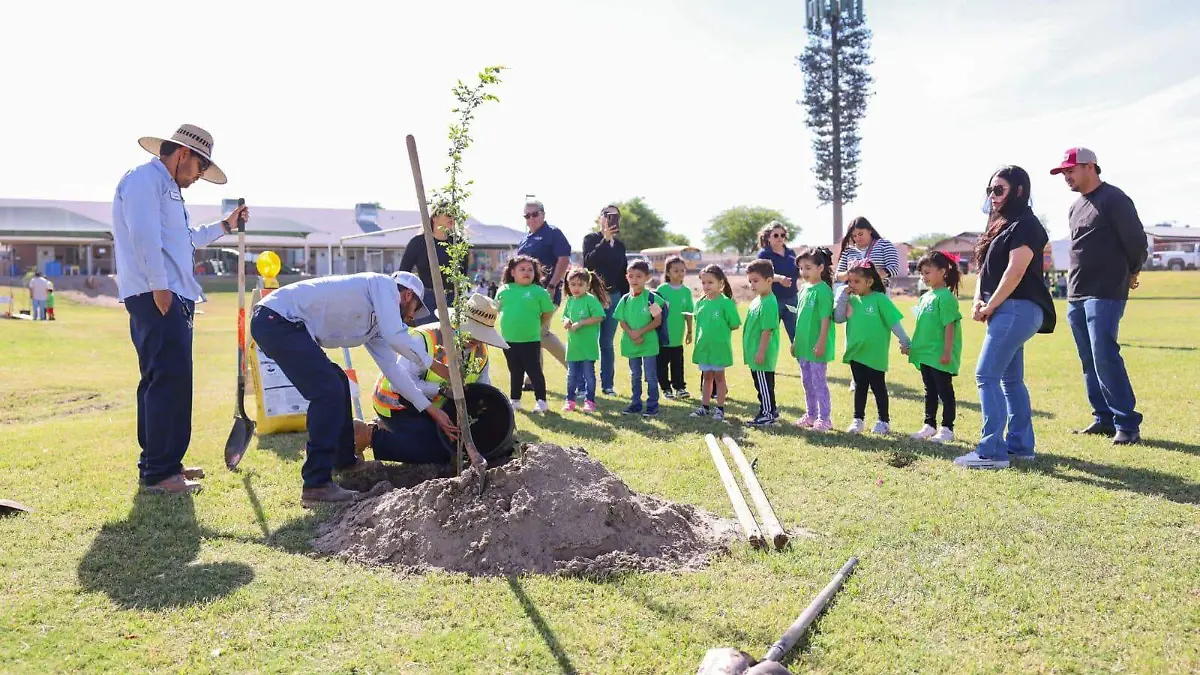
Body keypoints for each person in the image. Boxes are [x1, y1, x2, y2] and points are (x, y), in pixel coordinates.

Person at [112, 124, 248, 495]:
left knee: (171, 383)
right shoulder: (145, 179)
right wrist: (159, 286)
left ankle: (166, 462)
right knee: (164, 383)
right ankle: (158, 473)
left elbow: (183, 240)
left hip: (175, 295)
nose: (201, 176)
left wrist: (225, 225)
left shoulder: (170, 189)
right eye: (201, 167)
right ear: (184, 153)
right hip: (158, 294)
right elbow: (143, 235)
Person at [252, 271, 444, 504]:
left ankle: (344, 461)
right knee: (328, 390)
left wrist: (430, 409)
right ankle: (316, 484)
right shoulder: (382, 285)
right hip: (278, 320)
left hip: (287, 325)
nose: (412, 317)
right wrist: (434, 364)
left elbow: (394, 371)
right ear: (407, 295)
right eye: (414, 308)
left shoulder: (377, 325)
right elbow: (397, 337)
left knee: (338, 382)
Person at [956, 165, 1056, 470]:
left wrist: (990, 306)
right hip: (1006, 309)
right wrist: (978, 302)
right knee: (1011, 380)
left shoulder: (1027, 224)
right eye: (990, 190)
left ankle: (992, 452)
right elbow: (985, 272)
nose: (993, 195)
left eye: (999, 189)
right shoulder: (1000, 225)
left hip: (1018, 308)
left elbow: (1015, 271)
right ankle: (1020, 447)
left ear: (1020, 190)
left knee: (986, 375)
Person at [1052, 147, 1148, 445]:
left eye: (1071, 170)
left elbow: (1136, 241)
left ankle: (1127, 424)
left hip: (1106, 290)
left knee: (1104, 354)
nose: (1066, 176)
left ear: (1090, 167)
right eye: (1063, 172)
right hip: (1076, 292)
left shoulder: (1115, 199)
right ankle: (1103, 418)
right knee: (1088, 358)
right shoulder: (1075, 206)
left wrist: (1132, 272)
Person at [363, 293, 507, 463]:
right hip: (396, 403)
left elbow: (483, 388)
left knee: (451, 443)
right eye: (473, 332)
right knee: (435, 450)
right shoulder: (425, 338)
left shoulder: (480, 352)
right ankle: (371, 434)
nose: (476, 340)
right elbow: (399, 383)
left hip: (435, 406)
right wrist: (441, 390)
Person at [834, 262, 910, 434]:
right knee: (860, 386)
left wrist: (905, 340)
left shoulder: (880, 299)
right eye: (849, 281)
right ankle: (857, 420)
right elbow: (838, 318)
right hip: (856, 352)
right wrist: (842, 296)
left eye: (856, 281)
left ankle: (883, 421)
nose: (851, 285)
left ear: (869, 282)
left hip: (875, 353)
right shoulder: (850, 299)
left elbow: (894, 323)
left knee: (878, 387)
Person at [907, 251, 963, 444]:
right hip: (925, 354)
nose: (924, 277)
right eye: (922, 273)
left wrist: (947, 352)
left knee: (944, 391)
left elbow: (950, 326)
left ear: (943, 271)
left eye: (928, 272)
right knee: (929, 390)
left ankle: (947, 428)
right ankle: (929, 425)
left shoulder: (946, 298)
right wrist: (912, 347)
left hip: (939, 354)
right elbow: (923, 327)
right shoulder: (925, 297)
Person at [495, 255, 556, 413]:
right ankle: (515, 400)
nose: (527, 272)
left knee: (534, 371)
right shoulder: (503, 290)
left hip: (530, 340)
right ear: (512, 272)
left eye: (530, 269)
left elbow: (548, 312)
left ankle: (541, 401)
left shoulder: (538, 292)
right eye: (522, 269)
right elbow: (495, 309)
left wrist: (537, 325)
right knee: (515, 371)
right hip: (508, 340)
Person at [516, 199, 570, 374]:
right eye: (527, 215)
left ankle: (575, 371)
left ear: (543, 214)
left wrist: (552, 285)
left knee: (540, 333)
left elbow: (563, 259)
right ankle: (532, 378)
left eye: (535, 214)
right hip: (526, 295)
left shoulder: (553, 233)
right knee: (533, 335)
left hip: (547, 292)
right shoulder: (524, 239)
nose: (531, 218)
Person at [582, 204, 629, 397]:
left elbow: (622, 274)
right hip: (593, 297)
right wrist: (604, 240)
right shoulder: (590, 239)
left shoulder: (620, 246)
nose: (611, 219)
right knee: (588, 341)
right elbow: (588, 263)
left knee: (607, 343)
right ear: (600, 218)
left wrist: (627, 299)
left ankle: (607, 384)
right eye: (607, 215)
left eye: (615, 216)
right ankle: (586, 385)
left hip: (615, 296)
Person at [791, 247, 836, 431]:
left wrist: (821, 342)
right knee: (807, 383)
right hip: (803, 346)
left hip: (817, 346)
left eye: (808, 268)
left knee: (819, 383)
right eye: (801, 268)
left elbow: (826, 319)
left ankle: (824, 418)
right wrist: (795, 341)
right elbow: (800, 318)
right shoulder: (803, 289)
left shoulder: (823, 291)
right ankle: (810, 415)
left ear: (821, 268)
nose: (804, 272)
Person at [689, 264, 741, 422]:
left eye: (710, 282)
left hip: (719, 348)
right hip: (704, 349)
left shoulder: (726, 303)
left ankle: (720, 409)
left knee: (719, 378)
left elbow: (735, 324)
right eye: (703, 283)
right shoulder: (700, 303)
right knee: (706, 377)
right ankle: (704, 407)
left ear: (721, 284)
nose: (706, 286)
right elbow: (698, 321)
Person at [614, 259, 665, 416]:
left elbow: (658, 320)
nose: (634, 279)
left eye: (638, 276)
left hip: (648, 344)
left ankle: (652, 406)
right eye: (631, 276)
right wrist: (632, 334)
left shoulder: (651, 298)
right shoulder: (625, 299)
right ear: (626, 277)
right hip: (631, 343)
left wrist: (640, 332)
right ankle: (636, 404)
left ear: (647, 278)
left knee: (650, 375)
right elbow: (621, 321)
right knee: (635, 375)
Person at [398, 200, 468, 311]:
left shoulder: (459, 244)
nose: (452, 217)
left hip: (452, 301)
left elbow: (463, 275)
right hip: (427, 300)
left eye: (454, 214)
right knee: (428, 329)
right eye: (448, 214)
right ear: (434, 218)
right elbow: (402, 274)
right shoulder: (418, 243)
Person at [561, 268, 608, 413]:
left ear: (587, 285)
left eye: (580, 285)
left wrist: (581, 323)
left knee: (589, 375)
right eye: (573, 284)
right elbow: (564, 317)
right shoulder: (569, 300)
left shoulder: (591, 300)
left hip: (588, 346)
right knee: (571, 375)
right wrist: (566, 321)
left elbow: (599, 317)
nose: (576, 288)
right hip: (573, 346)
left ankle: (590, 401)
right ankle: (570, 400)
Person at [743, 259, 782, 427]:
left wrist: (761, 351)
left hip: (761, 353)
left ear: (769, 280)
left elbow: (768, 329)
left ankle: (767, 414)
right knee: (762, 384)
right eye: (750, 281)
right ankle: (771, 410)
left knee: (764, 385)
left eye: (756, 281)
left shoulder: (768, 302)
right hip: (753, 351)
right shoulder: (758, 300)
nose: (752, 285)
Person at [755, 220, 801, 355]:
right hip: (772, 300)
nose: (780, 238)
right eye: (776, 235)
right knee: (768, 335)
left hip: (792, 299)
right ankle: (765, 364)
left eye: (783, 235)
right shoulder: (764, 255)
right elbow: (760, 275)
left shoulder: (791, 253)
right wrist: (779, 279)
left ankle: (804, 365)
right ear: (768, 237)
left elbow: (799, 271)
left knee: (797, 334)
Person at [656, 255, 695, 400]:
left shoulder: (686, 292)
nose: (680, 273)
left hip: (678, 336)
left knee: (677, 363)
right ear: (667, 273)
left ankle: (679, 387)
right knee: (662, 364)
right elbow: (655, 311)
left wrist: (690, 331)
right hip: (663, 336)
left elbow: (688, 313)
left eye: (682, 270)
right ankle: (666, 388)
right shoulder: (662, 289)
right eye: (675, 270)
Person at [834, 217, 902, 283]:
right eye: (854, 236)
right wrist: (850, 273)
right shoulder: (848, 251)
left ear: (869, 231)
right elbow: (837, 275)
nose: (857, 238)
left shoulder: (884, 244)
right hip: (854, 292)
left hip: (878, 291)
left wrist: (870, 277)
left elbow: (893, 268)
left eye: (860, 234)